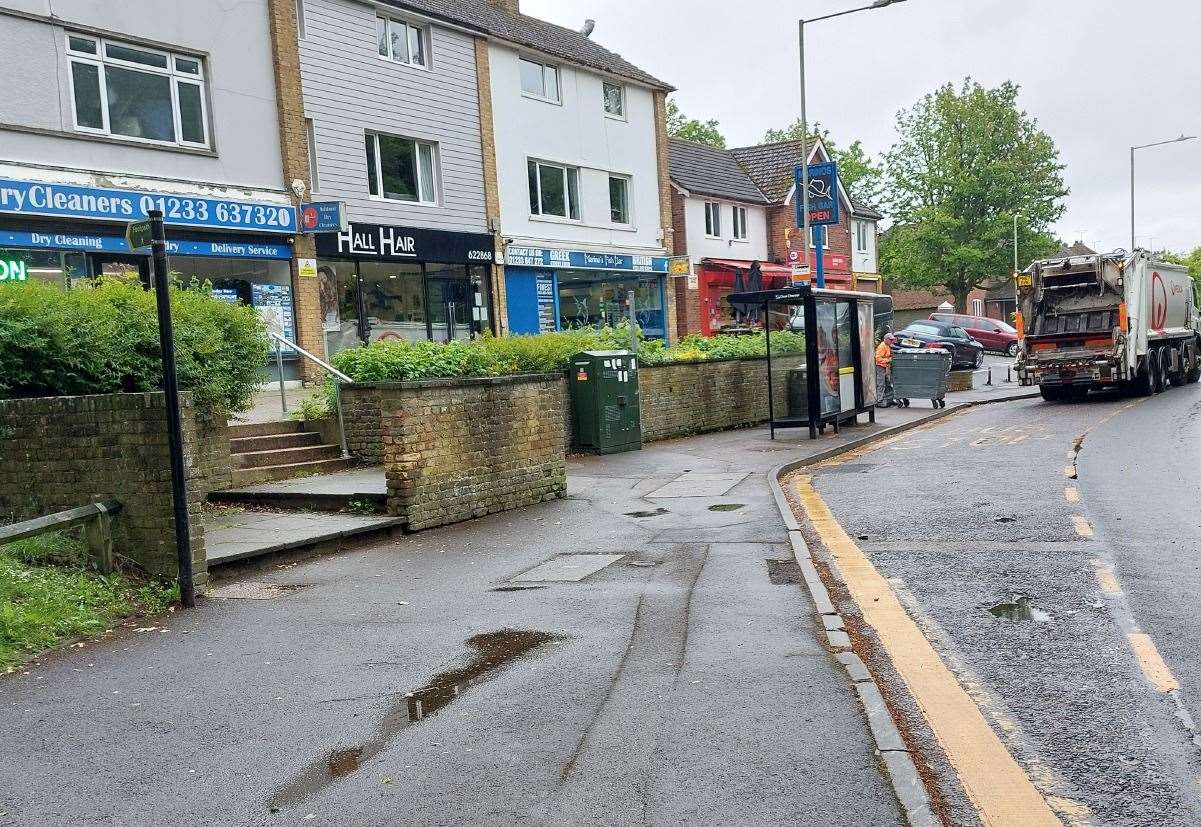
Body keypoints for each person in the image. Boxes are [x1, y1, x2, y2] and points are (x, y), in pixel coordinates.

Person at [875, 327, 894, 407]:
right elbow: (878, 358)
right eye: (890, 340)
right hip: (880, 367)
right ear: (886, 339)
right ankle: (879, 401)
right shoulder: (882, 346)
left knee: (887, 383)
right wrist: (889, 360)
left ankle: (889, 399)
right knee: (881, 384)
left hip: (884, 367)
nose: (891, 341)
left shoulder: (887, 346)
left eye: (892, 340)